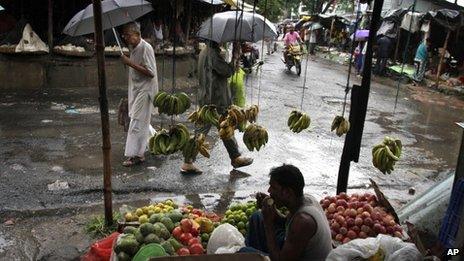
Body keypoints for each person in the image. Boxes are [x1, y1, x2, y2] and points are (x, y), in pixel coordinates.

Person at [180, 40, 253, 174]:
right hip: (215, 99)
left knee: (226, 127)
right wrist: (235, 57)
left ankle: (235, 157)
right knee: (202, 130)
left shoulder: (207, 52)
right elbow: (227, 72)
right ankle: (188, 161)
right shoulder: (211, 54)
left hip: (211, 96)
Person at [239, 164, 333, 260]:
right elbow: (287, 223)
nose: (269, 191)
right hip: (295, 248)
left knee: (243, 252)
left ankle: (255, 253)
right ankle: (258, 252)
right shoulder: (305, 199)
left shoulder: (303, 221)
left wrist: (268, 224)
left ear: (287, 192)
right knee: (258, 217)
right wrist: (272, 213)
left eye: (273, 187)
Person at [120, 22, 158, 167]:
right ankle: (152, 142)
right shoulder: (134, 47)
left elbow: (150, 72)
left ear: (137, 34)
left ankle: (134, 154)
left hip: (145, 90)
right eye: (125, 36)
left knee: (136, 121)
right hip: (136, 89)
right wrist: (129, 62)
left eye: (129, 35)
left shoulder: (145, 48)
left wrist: (129, 63)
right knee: (140, 120)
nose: (126, 38)